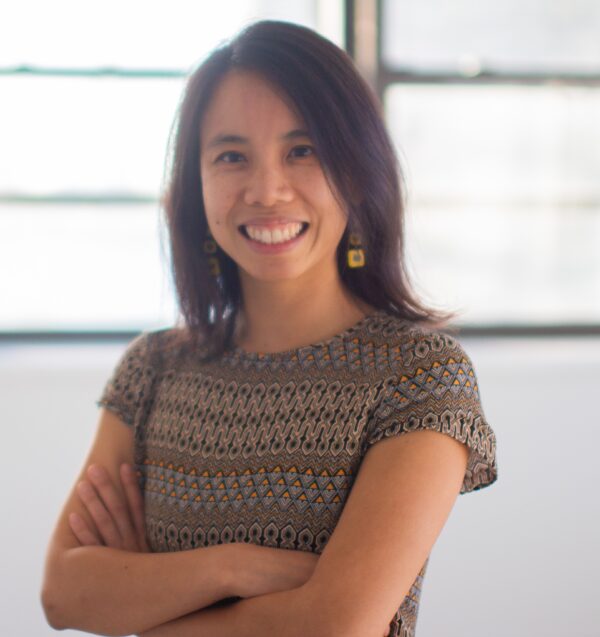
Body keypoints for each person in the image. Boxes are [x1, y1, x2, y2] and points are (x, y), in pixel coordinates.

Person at [40, 19, 498, 637]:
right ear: (195, 185)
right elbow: (65, 595)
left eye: (301, 150)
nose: (267, 190)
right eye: (232, 156)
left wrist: (143, 602)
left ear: (356, 170)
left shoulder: (419, 377)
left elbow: (334, 626)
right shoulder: (153, 370)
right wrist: (233, 569)